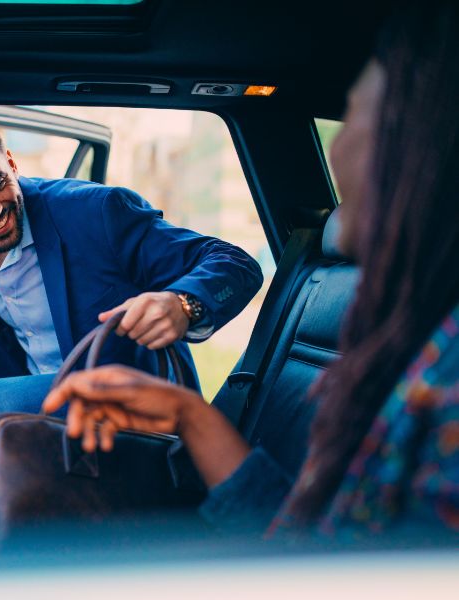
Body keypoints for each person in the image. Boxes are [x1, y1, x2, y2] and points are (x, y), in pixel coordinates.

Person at [42, 2, 459, 537]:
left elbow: (327, 573)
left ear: (415, 148)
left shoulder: (445, 387)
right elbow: (308, 543)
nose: (339, 147)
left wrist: (183, 302)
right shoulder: (418, 340)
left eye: (355, 115)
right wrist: (187, 415)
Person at [0, 107, 263, 459]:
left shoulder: (98, 212)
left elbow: (236, 264)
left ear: (11, 164)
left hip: (127, 418)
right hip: (42, 424)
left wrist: (185, 304)